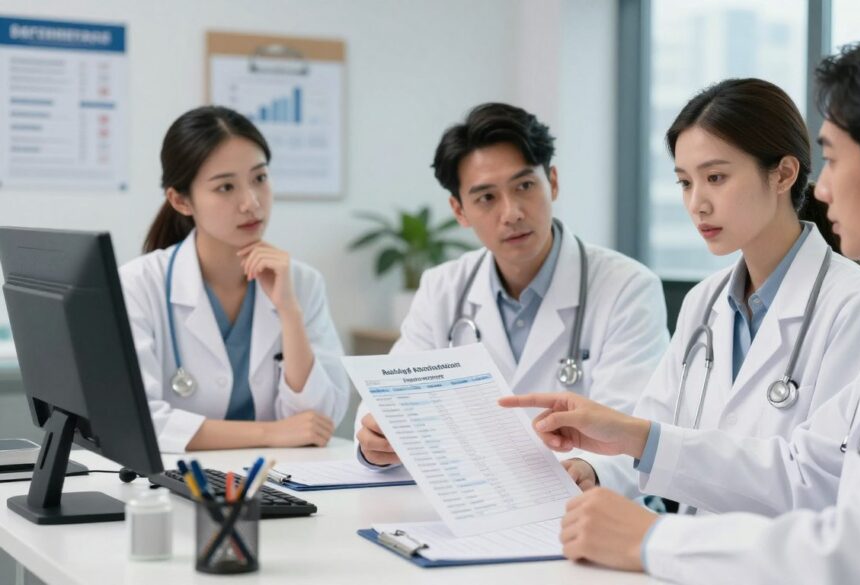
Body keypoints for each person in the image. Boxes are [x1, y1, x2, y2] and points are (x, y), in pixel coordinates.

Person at [502, 27, 860, 584]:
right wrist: (634, 439)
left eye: (834, 159)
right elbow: (809, 470)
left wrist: (656, 539)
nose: (822, 190)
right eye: (685, 181)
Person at [576, 78, 860, 499]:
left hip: (780, 558)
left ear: (783, 174)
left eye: (716, 177)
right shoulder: (703, 303)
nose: (697, 203)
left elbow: (825, 479)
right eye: (685, 182)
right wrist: (593, 471)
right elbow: (651, 428)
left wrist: (642, 442)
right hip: (687, 552)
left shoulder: (856, 306)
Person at [355, 102, 669, 469]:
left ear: (552, 182)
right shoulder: (443, 287)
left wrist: (590, 470)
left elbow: (633, 430)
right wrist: (375, 442)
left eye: (524, 186)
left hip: (580, 505)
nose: (512, 212)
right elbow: (387, 404)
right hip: (472, 498)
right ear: (459, 211)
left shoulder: (627, 288)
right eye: (487, 198)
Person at [120, 106, 350, 453]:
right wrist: (270, 434)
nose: (251, 203)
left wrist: (289, 311)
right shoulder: (139, 285)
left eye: (260, 178)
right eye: (226, 187)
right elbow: (139, 420)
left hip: (280, 479)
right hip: (181, 483)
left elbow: (316, 422)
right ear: (181, 200)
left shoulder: (302, 283)